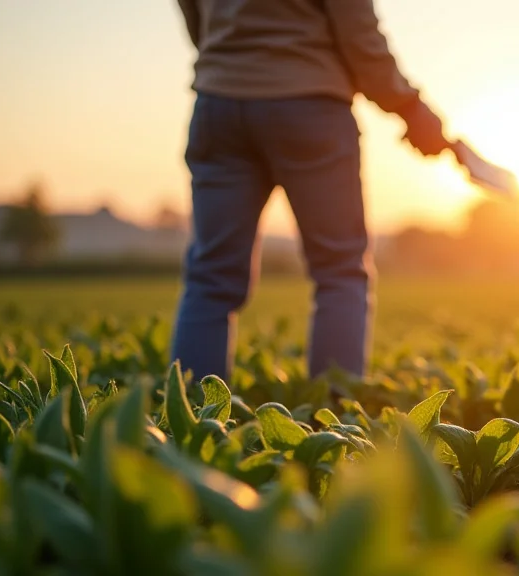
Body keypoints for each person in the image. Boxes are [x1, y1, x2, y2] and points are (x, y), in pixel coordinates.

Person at [172, 0, 448, 382]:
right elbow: (358, 33)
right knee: (339, 270)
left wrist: (229, 59)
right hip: (310, 103)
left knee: (210, 278)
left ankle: (187, 422)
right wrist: (408, 106)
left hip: (218, 104)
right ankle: (334, 423)